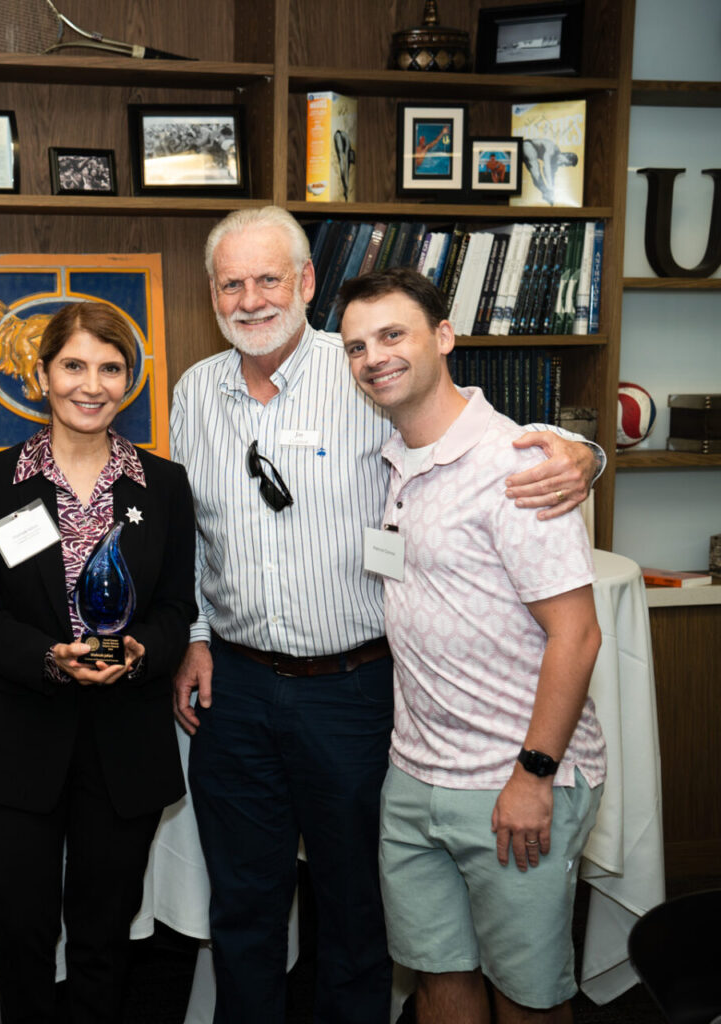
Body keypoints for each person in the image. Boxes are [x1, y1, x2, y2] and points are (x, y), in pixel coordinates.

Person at [168, 206, 602, 1024]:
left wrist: (583, 452)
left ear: (306, 284)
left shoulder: (367, 367)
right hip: (237, 690)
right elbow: (190, 536)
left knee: (359, 912)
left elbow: (473, 438)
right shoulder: (194, 393)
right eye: (232, 283)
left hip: (358, 691)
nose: (251, 299)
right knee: (244, 907)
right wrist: (194, 636)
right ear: (212, 295)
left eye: (269, 278)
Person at [337, 267, 604, 1024]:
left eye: (393, 335)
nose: (375, 357)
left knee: (527, 997)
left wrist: (534, 774)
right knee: (437, 978)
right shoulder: (396, 462)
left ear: (444, 337)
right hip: (415, 776)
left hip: (511, 780)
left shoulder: (517, 465)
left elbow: (577, 635)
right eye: (357, 346)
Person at [0, 302, 197, 1023]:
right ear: (41, 376)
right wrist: (47, 657)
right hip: (21, 742)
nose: (91, 385)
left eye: (110, 368)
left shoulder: (164, 485)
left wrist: (140, 650)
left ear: (130, 381)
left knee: (103, 936)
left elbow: (176, 610)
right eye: (73, 366)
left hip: (126, 744)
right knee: (22, 931)